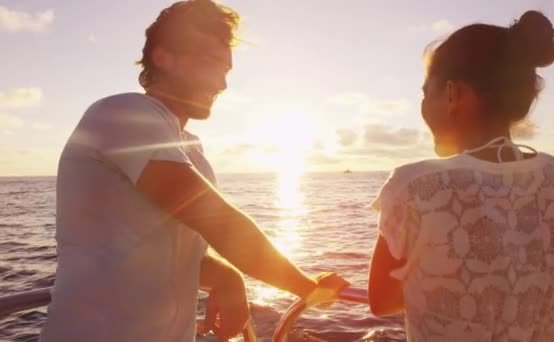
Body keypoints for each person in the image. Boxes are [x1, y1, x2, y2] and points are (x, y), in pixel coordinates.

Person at [40, 1, 347, 341]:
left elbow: (176, 253)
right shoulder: (122, 113)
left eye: (226, 69)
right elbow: (215, 220)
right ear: (162, 57)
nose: (222, 83)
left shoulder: (188, 147)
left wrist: (229, 278)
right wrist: (305, 286)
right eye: (212, 63)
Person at [367, 10, 554, 342]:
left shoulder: (416, 188)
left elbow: (381, 301)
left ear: (452, 94)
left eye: (426, 94)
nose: (423, 106)